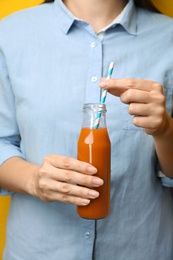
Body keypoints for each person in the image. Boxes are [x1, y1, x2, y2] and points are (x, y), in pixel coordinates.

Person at [0, 0, 173, 259]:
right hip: (38, 250)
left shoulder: (167, 38)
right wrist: (34, 180)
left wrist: (165, 130)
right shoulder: (12, 32)